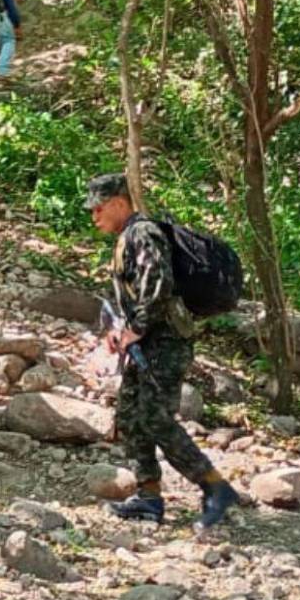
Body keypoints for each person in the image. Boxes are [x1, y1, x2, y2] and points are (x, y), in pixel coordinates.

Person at [85, 173, 240, 530]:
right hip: (146, 344)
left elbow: (158, 284)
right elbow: (137, 293)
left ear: (119, 203)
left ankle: (216, 488)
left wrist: (136, 329)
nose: (94, 216)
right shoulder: (128, 237)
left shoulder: (142, 233)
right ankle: (149, 497)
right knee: (129, 416)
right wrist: (122, 331)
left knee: (156, 419)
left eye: (98, 208)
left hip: (165, 343)